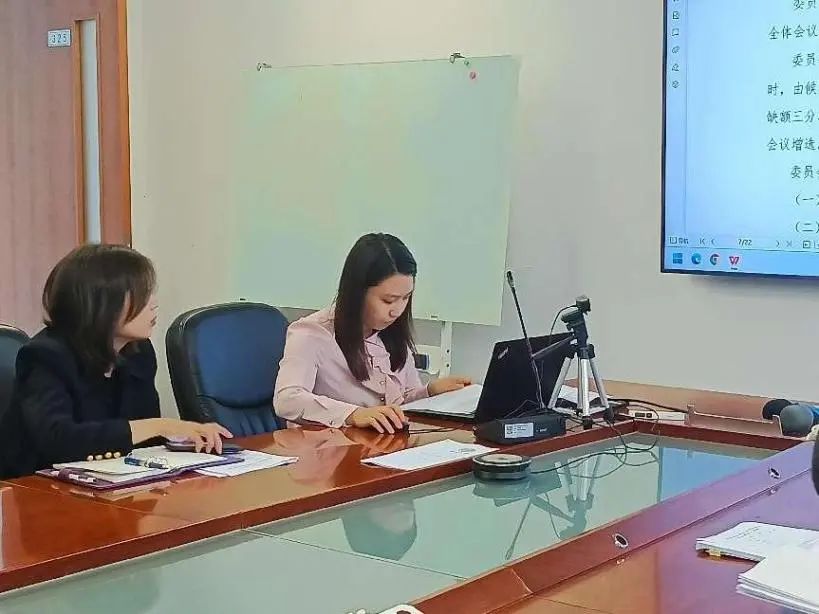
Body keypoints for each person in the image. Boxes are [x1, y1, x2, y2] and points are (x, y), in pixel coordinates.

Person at [0, 244, 231, 479]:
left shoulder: (138, 351)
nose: (153, 303)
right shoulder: (45, 355)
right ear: (101, 302)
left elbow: (144, 439)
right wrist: (161, 426)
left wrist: (185, 437)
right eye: (141, 295)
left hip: (112, 483)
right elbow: (58, 439)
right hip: (37, 489)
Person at [274, 233, 471, 433]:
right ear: (357, 293)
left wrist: (430, 392)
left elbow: (401, 402)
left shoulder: (391, 332)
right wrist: (352, 414)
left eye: (405, 298)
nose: (397, 311)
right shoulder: (311, 333)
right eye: (388, 300)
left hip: (384, 445)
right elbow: (287, 400)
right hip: (329, 448)